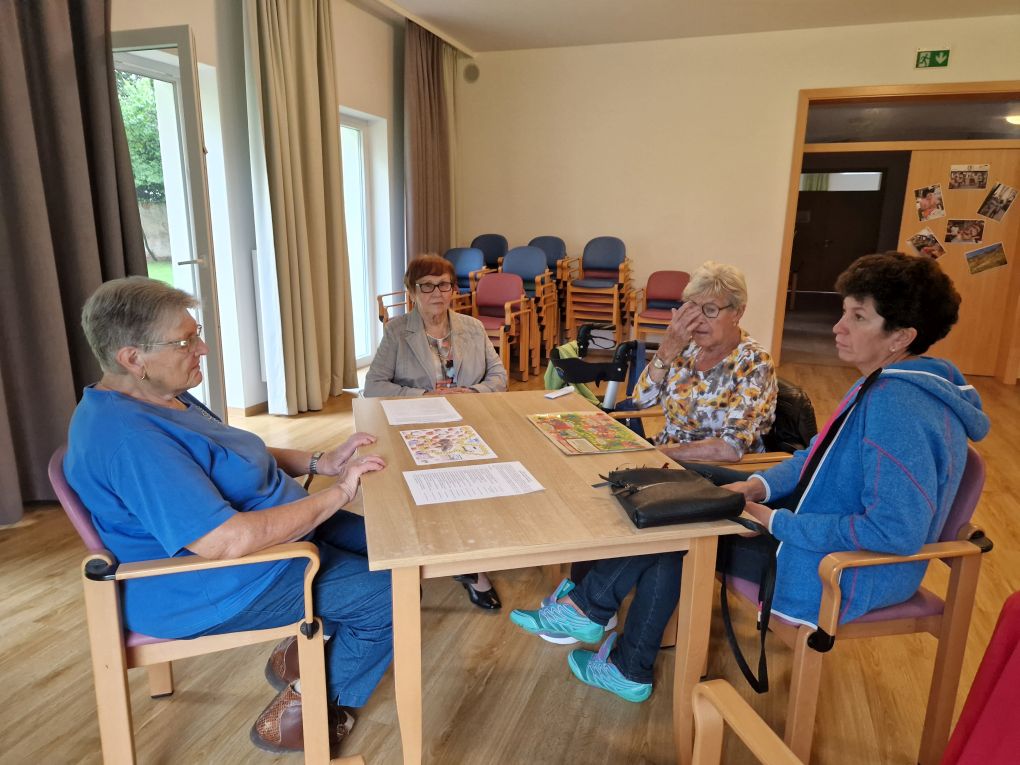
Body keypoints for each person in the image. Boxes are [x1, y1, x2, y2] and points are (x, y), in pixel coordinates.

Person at [510, 251, 989, 703]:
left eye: (858, 317)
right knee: (668, 498)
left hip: (837, 570)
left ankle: (596, 619)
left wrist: (774, 520)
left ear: (901, 336)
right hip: (815, 533)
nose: (838, 327)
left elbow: (893, 532)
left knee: (675, 524)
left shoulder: (897, 408)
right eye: (844, 312)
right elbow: (813, 458)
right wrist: (757, 488)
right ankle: (610, 643)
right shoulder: (887, 384)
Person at [64, 277, 391, 755]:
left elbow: (234, 454)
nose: (202, 348)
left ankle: (300, 656)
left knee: (391, 543)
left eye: (195, 334)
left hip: (271, 541)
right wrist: (340, 493)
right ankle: (302, 714)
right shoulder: (131, 440)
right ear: (133, 358)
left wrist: (320, 462)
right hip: (213, 584)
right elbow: (225, 541)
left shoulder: (159, 394)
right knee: (387, 591)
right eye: (185, 342)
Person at [364, 254, 507, 609]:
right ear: (412, 292)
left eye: (443, 285)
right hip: (416, 425)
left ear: (453, 290)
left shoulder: (473, 327)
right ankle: (419, 555)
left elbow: (499, 377)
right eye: (426, 286)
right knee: (422, 490)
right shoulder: (397, 331)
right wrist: (425, 396)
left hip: (469, 420)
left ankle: (470, 561)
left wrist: (471, 392)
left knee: (481, 483)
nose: (436, 293)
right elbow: (374, 386)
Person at [631, 260, 778, 462]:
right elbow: (640, 400)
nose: (698, 319)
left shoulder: (754, 362)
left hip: (713, 469)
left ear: (738, 312)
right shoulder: (686, 347)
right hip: (666, 456)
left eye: (710, 310)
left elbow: (731, 448)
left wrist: (659, 455)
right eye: (693, 308)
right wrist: (666, 350)